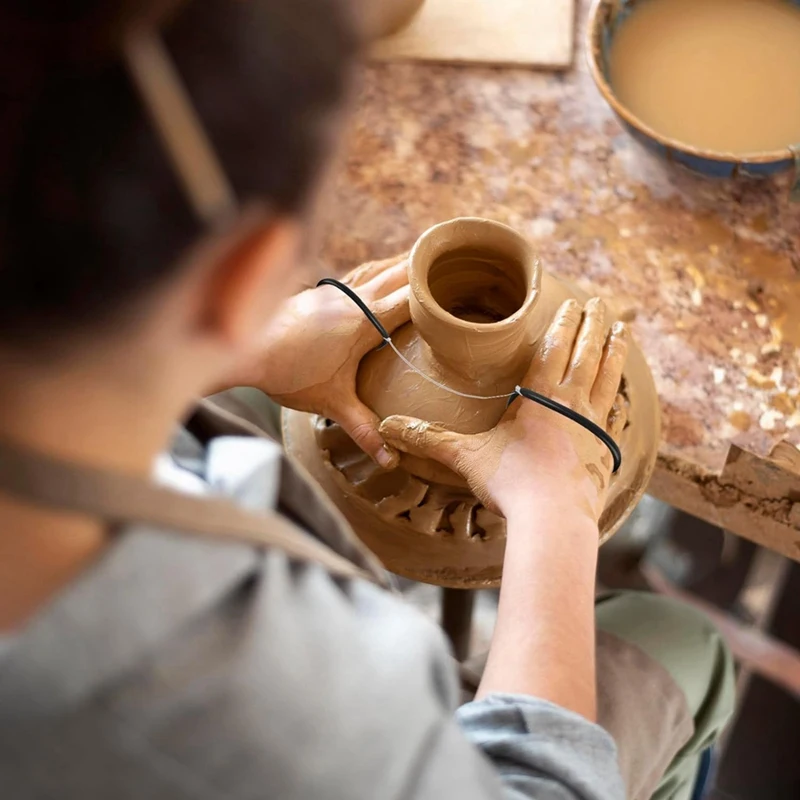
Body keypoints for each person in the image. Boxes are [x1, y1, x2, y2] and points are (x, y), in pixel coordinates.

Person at [0, 1, 734, 799]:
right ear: (244, 276)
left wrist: (247, 348)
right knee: (684, 645)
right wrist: (556, 511)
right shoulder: (252, 692)